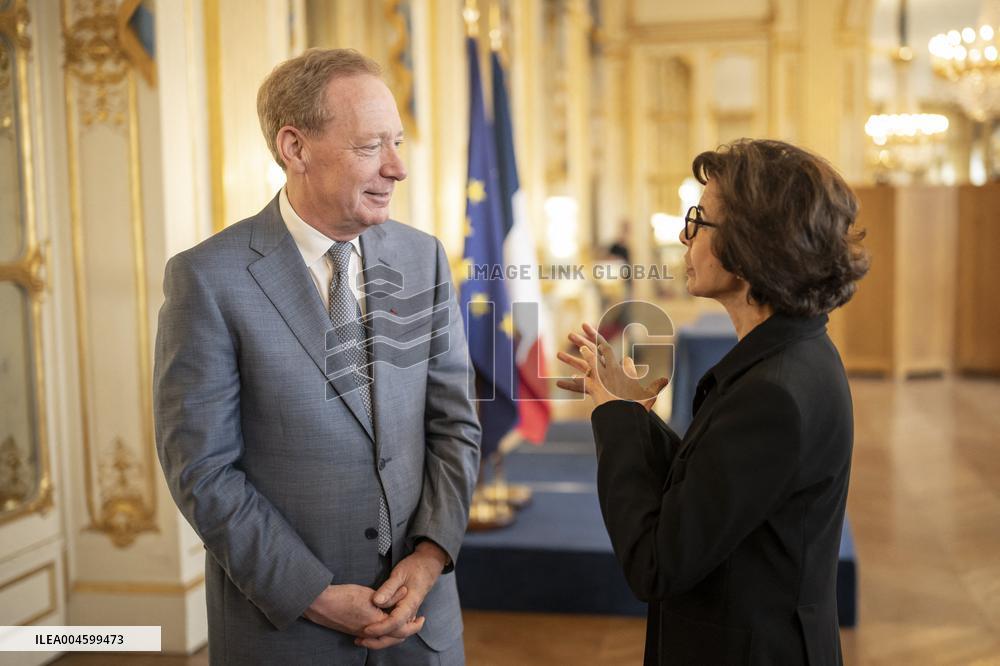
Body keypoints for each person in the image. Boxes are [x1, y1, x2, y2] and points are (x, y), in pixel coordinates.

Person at [153, 48, 481, 665]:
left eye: (399, 142)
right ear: (294, 147)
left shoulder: (424, 258)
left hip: (423, 625)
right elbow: (201, 470)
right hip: (288, 633)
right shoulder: (208, 279)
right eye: (370, 147)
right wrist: (314, 595)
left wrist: (430, 556)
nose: (397, 167)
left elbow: (454, 424)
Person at [558, 139, 869, 665]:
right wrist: (632, 411)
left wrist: (612, 418)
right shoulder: (795, 352)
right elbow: (718, 492)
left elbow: (657, 563)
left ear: (752, 244)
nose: (685, 235)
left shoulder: (772, 392)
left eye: (699, 220)